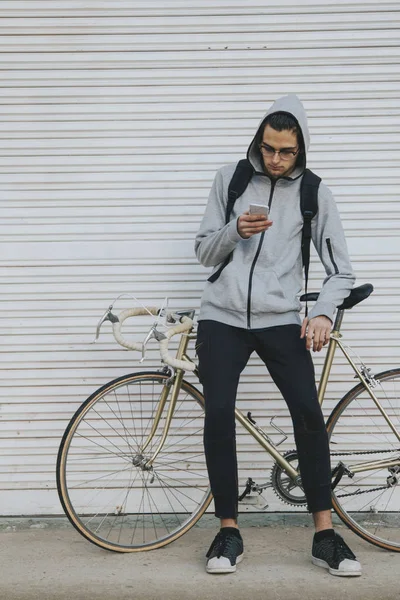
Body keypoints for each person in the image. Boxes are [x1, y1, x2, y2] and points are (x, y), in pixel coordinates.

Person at [194, 94, 361, 577]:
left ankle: (325, 536)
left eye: (286, 151)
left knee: (309, 414)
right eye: (268, 148)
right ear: (258, 141)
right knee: (218, 414)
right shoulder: (230, 180)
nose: (275, 159)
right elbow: (204, 251)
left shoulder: (313, 193)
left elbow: (341, 272)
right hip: (221, 317)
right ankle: (228, 530)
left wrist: (324, 313)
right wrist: (235, 231)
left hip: (279, 319)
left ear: (301, 148)